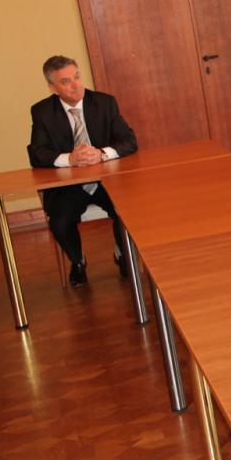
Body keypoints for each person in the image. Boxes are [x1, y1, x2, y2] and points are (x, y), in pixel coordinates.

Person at [27, 55, 138, 287]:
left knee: (126, 210)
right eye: (66, 81)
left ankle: (122, 255)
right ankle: (78, 261)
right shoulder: (42, 112)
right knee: (60, 221)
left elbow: (129, 141)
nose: (76, 85)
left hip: (106, 181)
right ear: (53, 87)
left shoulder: (105, 103)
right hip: (69, 185)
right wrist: (69, 159)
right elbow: (37, 153)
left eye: (77, 77)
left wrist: (102, 154)